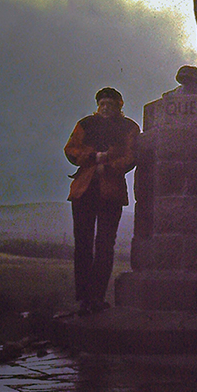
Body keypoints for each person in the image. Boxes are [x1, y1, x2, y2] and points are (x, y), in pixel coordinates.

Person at [64, 87, 140, 315]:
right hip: (84, 191)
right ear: (98, 105)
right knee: (83, 244)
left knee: (105, 245)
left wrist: (107, 165)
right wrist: (93, 157)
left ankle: (96, 297)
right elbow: (70, 149)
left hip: (111, 192)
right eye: (102, 104)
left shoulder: (129, 128)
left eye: (110, 104)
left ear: (119, 106)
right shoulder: (85, 124)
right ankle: (84, 298)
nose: (105, 108)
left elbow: (131, 156)